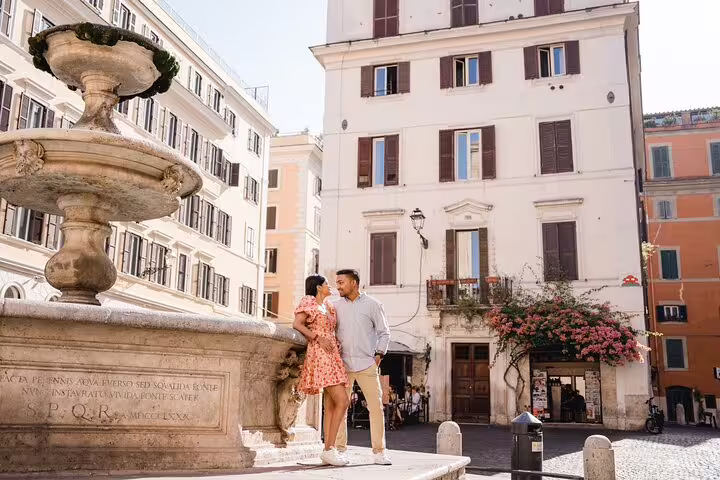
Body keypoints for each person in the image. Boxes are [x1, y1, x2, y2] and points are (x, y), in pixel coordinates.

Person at [333, 269, 392, 465]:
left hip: (367, 364)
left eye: (341, 282)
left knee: (376, 408)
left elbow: (385, 332)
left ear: (354, 283)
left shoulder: (373, 305)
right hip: (343, 366)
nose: (338, 286)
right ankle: (340, 450)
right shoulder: (335, 306)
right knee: (340, 409)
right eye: (337, 282)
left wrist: (379, 354)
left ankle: (379, 452)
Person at [293, 275, 350, 467]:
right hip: (320, 354)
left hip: (333, 354)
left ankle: (329, 449)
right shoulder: (308, 302)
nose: (330, 286)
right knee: (343, 400)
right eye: (327, 284)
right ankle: (328, 450)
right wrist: (317, 337)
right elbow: (297, 324)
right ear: (318, 287)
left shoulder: (329, 306)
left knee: (333, 405)